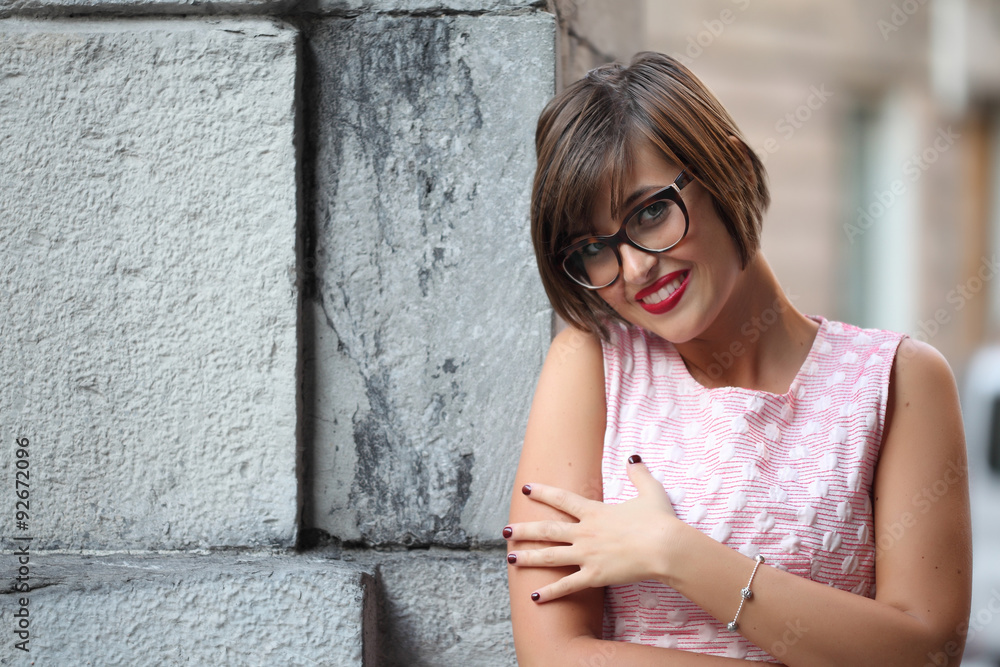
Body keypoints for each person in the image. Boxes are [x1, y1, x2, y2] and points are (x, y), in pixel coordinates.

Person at [504, 52, 972, 665]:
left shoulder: (898, 382)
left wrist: (675, 553)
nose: (637, 267)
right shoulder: (593, 366)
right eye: (596, 247)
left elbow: (927, 652)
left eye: (651, 212)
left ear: (728, 169)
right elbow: (555, 657)